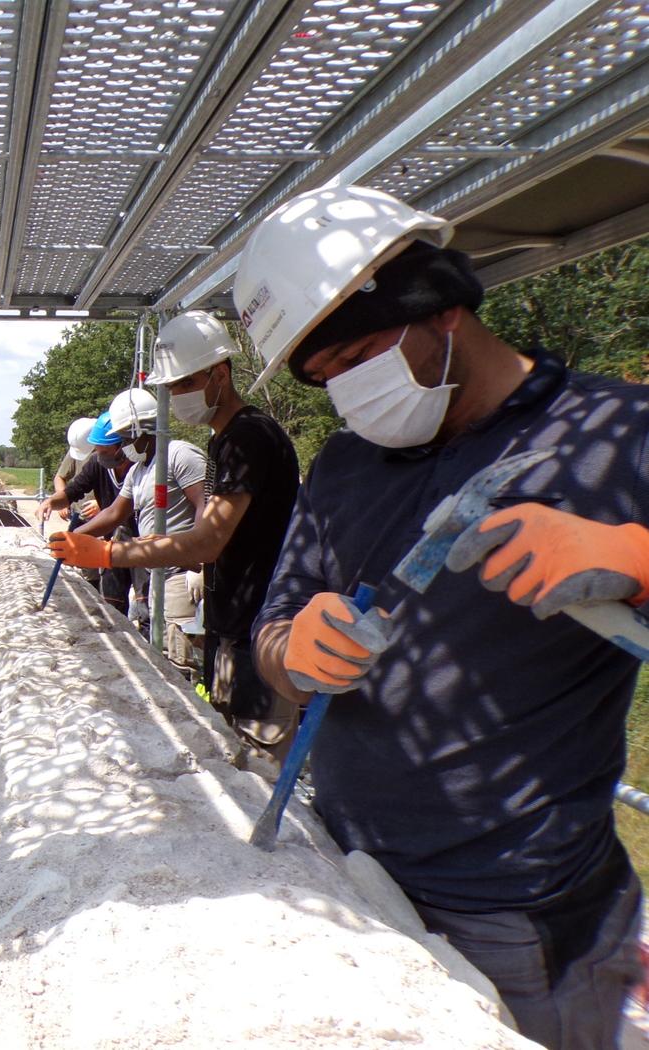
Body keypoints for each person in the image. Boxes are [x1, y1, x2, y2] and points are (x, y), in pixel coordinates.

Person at [237, 184, 649, 1048]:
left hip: (521, 914)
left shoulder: (619, 432)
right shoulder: (346, 465)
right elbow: (273, 625)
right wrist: (293, 653)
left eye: (357, 358)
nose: (346, 394)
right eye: (323, 380)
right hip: (347, 874)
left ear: (440, 309)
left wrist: (637, 561)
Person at [46, 312, 301, 757]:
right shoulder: (225, 441)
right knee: (230, 752)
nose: (177, 398)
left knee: (258, 762)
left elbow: (207, 539)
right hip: (233, 622)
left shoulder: (248, 438)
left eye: (183, 385)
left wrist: (106, 554)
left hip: (259, 625)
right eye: (170, 389)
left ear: (219, 374)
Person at [42, 389, 207, 629]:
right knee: (162, 646)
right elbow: (114, 513)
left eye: (124, 437)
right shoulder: (138, 471)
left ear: (139, 431)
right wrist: (74, 537)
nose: (125, 444)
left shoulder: (179, 455)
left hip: (183, 572)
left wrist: (201, 561)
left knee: (181, 654)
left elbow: (207, 505)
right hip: (159, 570)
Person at [36, 410, 135, 613]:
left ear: (122, 447)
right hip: (113, 539)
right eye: (97, 450)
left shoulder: (141, 468)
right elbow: (72, 490)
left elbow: (117, 511)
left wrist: (75, 536)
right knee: (112, 601)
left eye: (104, 451)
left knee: (144, 602)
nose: (100, 456)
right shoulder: (97, 464)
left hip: (141, 538)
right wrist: (51, 502)